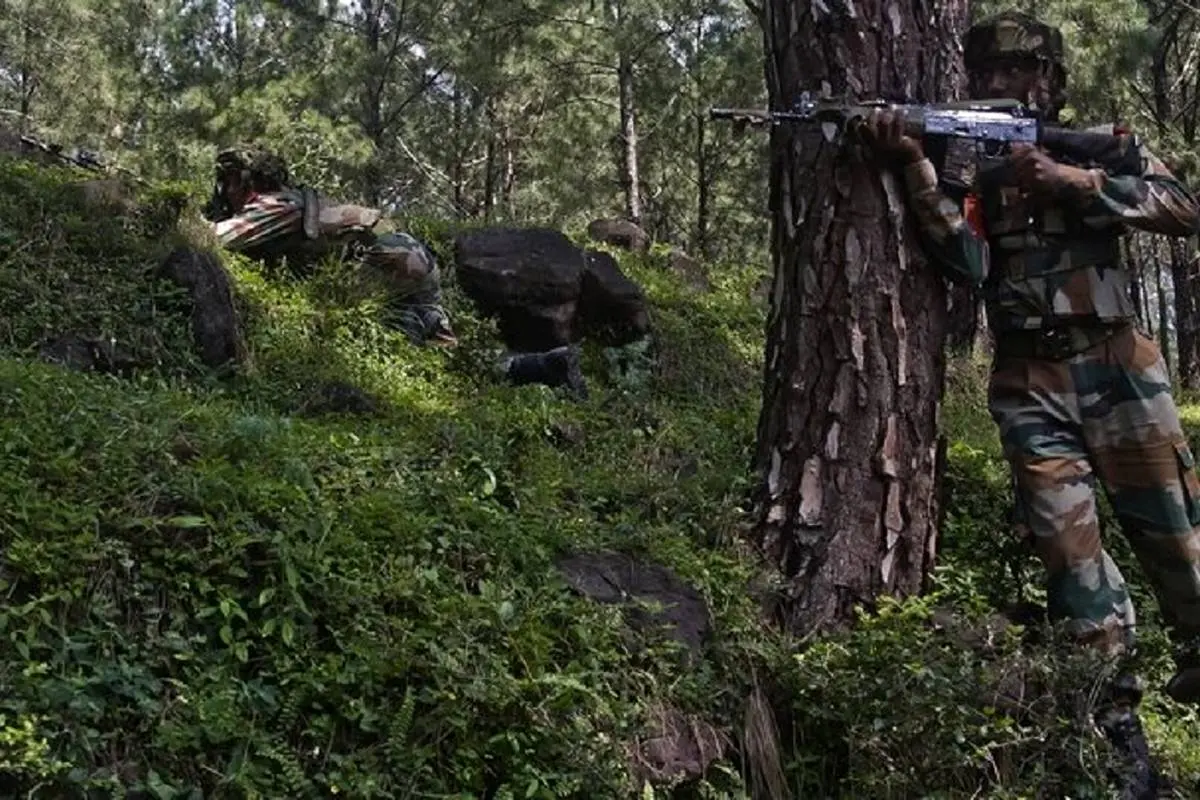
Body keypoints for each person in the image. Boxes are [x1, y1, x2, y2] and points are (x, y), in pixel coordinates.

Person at [860, 8, 1200, 791]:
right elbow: (967, 263)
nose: (1002, 85)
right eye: (987, 73)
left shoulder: (1093, 151)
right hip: (1029, 384)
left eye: (1018, 71)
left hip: (1119, 367)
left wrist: (1076, 181)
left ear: (1049, 80)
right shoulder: (970, 165)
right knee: (1072, 564)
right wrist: (915, 164)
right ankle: (1120, 742)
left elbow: (1182, 208)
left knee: (1179, 548)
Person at [203, 145, 589, 398]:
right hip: (413, 259)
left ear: (243, 180)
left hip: (384, 263)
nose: (225, 192)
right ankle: (546, 365)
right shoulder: (299, 200)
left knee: (357, 337)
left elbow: (216, 238)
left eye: (228, 182)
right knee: (449, 361)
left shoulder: (275, 205)